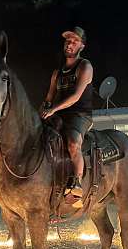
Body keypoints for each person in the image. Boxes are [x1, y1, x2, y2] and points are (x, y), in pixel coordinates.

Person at [40, 26, 94, 198]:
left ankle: (77, 184)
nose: (70, 44)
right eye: (67, 41)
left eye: (75, 41)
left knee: (72, 143)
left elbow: (76, 96)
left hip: (80, 115)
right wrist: (39, 114)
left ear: (82, 46)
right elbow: (48, 98)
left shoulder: (84, 66)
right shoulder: (57, 73)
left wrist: (53, 109)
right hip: (60, 115)